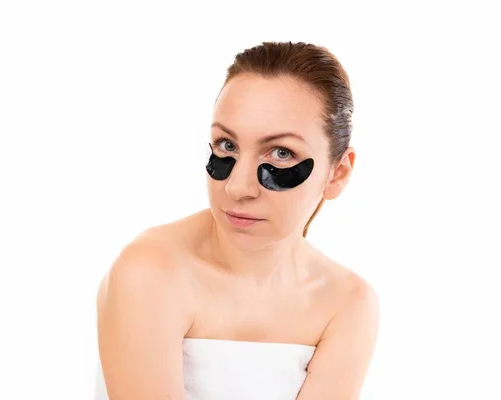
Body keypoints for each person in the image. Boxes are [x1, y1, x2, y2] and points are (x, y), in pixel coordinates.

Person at [95, 41, 380, 400]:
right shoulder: (151, 271)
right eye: (227, 145)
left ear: (337, 173)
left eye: (281, 153)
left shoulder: (348, 303)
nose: (238, 186)